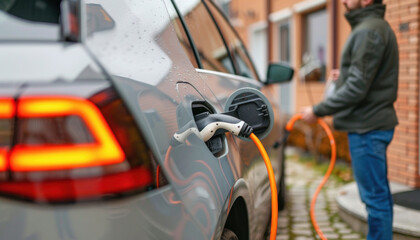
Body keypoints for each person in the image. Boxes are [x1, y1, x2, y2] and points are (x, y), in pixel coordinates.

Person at [301, 0, 399, 239]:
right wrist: (343, 75)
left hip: (367, 128)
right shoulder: (372, 27)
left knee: (375, 200)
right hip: (371, 126)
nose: (344, 1)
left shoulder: (368, 30)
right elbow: (363, 77)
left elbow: (357, 88)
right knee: (379, 197)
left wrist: (318, 110)